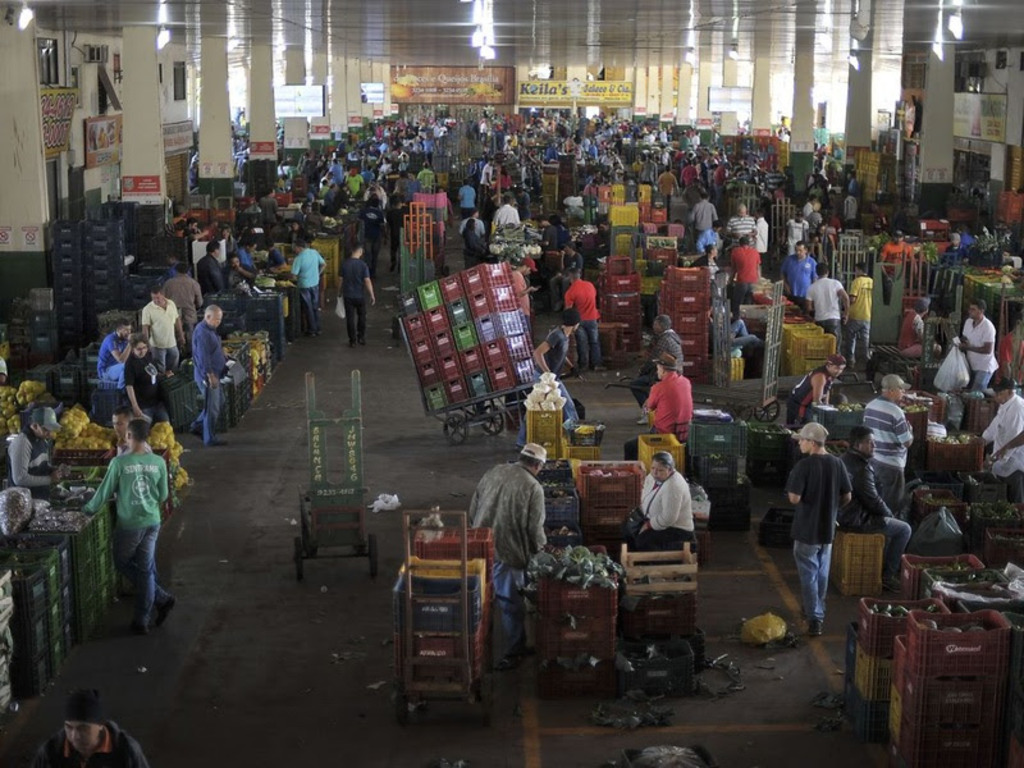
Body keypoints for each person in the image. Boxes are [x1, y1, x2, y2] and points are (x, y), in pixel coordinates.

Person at [84, 419, 174, 635]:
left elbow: (104, 493)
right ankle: (142, 619)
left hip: (130, 524)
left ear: (128, 437)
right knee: (145, 570)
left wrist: (86, 509)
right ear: (147, 438)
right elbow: (163, 495)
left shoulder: (119, 463)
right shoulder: (159, 462)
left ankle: (161, 599)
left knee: (122, 562)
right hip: (153, 521)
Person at [469, 443, 547, 671]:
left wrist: (477, 531)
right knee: (510, 601)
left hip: (480, 545)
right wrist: (540, 550)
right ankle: (513, 650)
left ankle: (477, 643)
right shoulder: (533, 487)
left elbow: (474, 504)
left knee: (479, 596)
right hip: (508, 551)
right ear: (538, 465)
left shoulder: (495, 471)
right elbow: (535, 528)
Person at [785, 422, 852, 637]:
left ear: (812, 443)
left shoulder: (803, 467)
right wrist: (831, 509)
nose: (799, 444)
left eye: (802, 440)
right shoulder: (837, 463)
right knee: (822, 573)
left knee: (809, 575)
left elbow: (794, 498)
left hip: (807, 531)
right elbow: (847, 496)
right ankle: (817, 609)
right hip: (827, 530)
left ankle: (814, 618)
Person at [839, 427, 912, 592]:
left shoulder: (844, 459)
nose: (874, 445)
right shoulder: (862, 470)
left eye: (874, 442)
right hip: (859, 519)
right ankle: (888, 576)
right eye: (869, 442)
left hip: (844, 514)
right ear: (858, 445)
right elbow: (873, 501)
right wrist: (889, 514)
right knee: (904, 529)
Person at [30, 689, 152, 767]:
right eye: (69, 727)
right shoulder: (51, 752)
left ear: (100, 724)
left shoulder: (126, 751)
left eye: (83, 728)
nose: (74, 736)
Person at [863, 374, 914, 517]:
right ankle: (887, 536)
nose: (903, 392)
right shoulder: (896, 412)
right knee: (891, 505)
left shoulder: (870, 406)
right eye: (901, 389)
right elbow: (907, 442)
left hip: (873, 461)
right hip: (891, 465)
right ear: (891, 390)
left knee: (876, 501)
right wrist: (910, 432)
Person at [624, 353, 693, 461]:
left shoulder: (658, 387)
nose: (657, 372)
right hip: (684, 433)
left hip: (664, 434)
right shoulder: (686, 382)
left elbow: (649, 407)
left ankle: (634, 475)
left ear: (663, 369)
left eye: (658, 369)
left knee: (630, 447)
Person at [625, 452, 695, 553]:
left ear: (670, 470)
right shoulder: (653, 477)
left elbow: (668, 518)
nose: (655, 472)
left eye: (660, 470)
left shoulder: (673, 486)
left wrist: (648, 525)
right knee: (627, 528)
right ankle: (634, 558)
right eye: (653, 468)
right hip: (652, 518)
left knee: (643, 541)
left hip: (676, 528)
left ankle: (652, 563)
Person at [628, 315, 683, 422]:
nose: (653, 326)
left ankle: (648, 412)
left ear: (661, 326)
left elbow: (653, 359)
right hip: (674, 372)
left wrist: (642, 371)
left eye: (655, 324)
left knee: (636, 384)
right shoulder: (672, 336)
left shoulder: (665, 340)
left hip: (668, 374)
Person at [6, 407, 65, 500]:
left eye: (51, 429)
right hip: (23, 503)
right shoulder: (22, 443)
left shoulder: (41, 439)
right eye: (46, 429)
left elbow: (39, 465)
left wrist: (53, 470)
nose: (50, 433)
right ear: (34, 426)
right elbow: (20, 479)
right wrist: (49, 479)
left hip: (38, 500)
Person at [190, 306, 228, 447]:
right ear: (207, 317)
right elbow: (203, 357)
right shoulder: (203, 334)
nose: (218, 322)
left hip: (215, 373)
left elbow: (212, 349)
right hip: (208, 376)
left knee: (219, 402)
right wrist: (210, 375)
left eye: (220, 319)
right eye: (216, 319)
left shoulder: (210, 329)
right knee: (213, 408)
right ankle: (209, 438)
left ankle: (198, 426)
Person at [982, 379, 1024, 503]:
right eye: (996, 393)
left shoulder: (1017, 409)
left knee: (1016, 495)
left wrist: (994, 459)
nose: (996, 397)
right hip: (1004, 457)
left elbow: (1013, 438)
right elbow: (995, 427)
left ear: (1010, 392)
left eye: (1000, 393)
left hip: (1015, 460)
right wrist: (982, 440)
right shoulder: (1005, 405)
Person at [786, 354, 846, 425]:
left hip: (809, 404)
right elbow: (816, 401)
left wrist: (827, 404)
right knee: (807, 428)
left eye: (841, 369)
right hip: (799, 404)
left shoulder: (831, 373)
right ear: (828, 365)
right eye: (837, 368)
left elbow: (827, 389)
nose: (839, 371)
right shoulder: (820, 377)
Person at [562, 268, 603, 372]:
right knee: (594, 342)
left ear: (570, 278)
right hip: (593, 318)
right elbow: (594, 298)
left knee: (582, 343)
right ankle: (596, 364)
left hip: (579, 321)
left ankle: (582, 365)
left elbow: (569, 311)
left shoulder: (570, 292)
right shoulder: (590, 285)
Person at [123, 335, 170, 424]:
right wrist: (135, 407)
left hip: (156, 403)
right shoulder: (130, 365)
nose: (143, 351)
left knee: (166, 427)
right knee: (144, 431)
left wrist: (164, 375)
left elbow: (153, 373)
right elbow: (129, 386)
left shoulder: (148, 355)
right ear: (133, 349)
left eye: (144, 347)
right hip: (143, 405)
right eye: (139, 349)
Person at [804, 262, 849, 350]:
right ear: (828, 272)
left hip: (819, 320)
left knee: (821, 348)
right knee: (835, 348)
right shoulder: (836, 283)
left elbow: (808, 307)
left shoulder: (811, 287)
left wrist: (813, 315)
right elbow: (846, 298)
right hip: (834, 320)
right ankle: (835, 363)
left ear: (816, 273)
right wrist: (846, 314)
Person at [140, 285, 184, 374]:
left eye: (158, 298)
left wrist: (181, 335)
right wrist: (146, 343)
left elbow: (177, 320)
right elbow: (145, 328)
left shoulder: (171, 304)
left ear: (163, 295)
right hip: (157, 345)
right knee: (161, 367)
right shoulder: (147, 309)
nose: (156, 300)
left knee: (174, 361)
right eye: (153, 298)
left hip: (172, 342)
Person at [339, 246, 376, 348]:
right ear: (359, 251)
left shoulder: (344, 264)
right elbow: (367, 281)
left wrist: (339, 292)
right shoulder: (363, 265)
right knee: (362, 317)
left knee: (350, 318)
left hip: (348, 296)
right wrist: (372, 295)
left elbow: (341, 280)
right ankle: (361, 337)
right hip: (359, 296)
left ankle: (352, 340)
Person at [959, 299, 998, 391]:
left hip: (984, 366)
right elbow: (965, 337)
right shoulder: (968, 322)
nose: (970, 311)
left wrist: (967, 347)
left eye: (973, 309)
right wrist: (961, 342)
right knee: (967, 390)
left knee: (976, 393)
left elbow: (987, 350)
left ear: (981, 311)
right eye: (970, 309)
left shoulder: (988, 327)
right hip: (971, 364)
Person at [290, 239, 326, 337]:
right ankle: (318, 328)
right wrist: (318, 273)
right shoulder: (314, 252)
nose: (294, 250)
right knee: (315, 306)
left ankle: (312, 330)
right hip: (315, 284)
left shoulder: (299, 258)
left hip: (304, 286)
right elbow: (323, 264)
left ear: (299, 247)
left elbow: (293, 275)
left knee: (308, 308)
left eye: (295, 248)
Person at [161, 262, 203, 342]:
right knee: (191, 337)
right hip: (189, 315)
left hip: (172, 315)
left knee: (173, 338)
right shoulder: (194, 284)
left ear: (176, 270)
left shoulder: (168, 283)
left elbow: (163, 300)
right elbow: (200, 302)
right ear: (188, 271)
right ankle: (190, 353)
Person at [844, 262, 873, 367]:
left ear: (859, 270)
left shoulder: (856, 281)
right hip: (868, 315)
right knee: (866, 339)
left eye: (856, 270)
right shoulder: (872, 282)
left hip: (856, 314)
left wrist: (845, 308)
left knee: (851, 337)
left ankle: (851, 360)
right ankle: (867, 361)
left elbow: (852, 298)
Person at [729, 235, 761, 318]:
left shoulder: (735, 252)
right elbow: (757, 267)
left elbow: (734, 269)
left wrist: (730, 281)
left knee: (737, 302)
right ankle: (747, 320)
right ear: (749, 244)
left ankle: (736, 319)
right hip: (753, 281)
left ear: (740, 244)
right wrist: (759, 280)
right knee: (748, 303)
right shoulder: (755, 252)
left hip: (742, 281)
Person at [780, 241, 818, 310]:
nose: (798, 252)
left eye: (800, 250)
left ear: (806, 250)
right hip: (790, 294)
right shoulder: (789, 260)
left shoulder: (812, 262)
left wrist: (812, 294)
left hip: (805, 296)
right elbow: (782, 273)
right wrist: (785, 285)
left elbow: (815, 279)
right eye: (796, 250)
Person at [97, 319, 133, 389]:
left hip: (117, 369)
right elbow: (121, 360)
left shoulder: (124, 339)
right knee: (127, 366)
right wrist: (130, 343)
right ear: (119, 329)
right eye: (126, 330)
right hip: (106, 371)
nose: (129, 332)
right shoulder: (111, 339)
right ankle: (120, 391)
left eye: (130, 330)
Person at [359, 195, 386, 279]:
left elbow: (359, 221)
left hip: (367, 236)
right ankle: (373, 273)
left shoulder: (364, 211)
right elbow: (382, 226)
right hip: (376, 236)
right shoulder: (379, 213)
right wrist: (385, 236)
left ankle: (366, 274)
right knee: (375, 255)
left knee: (367, 255)